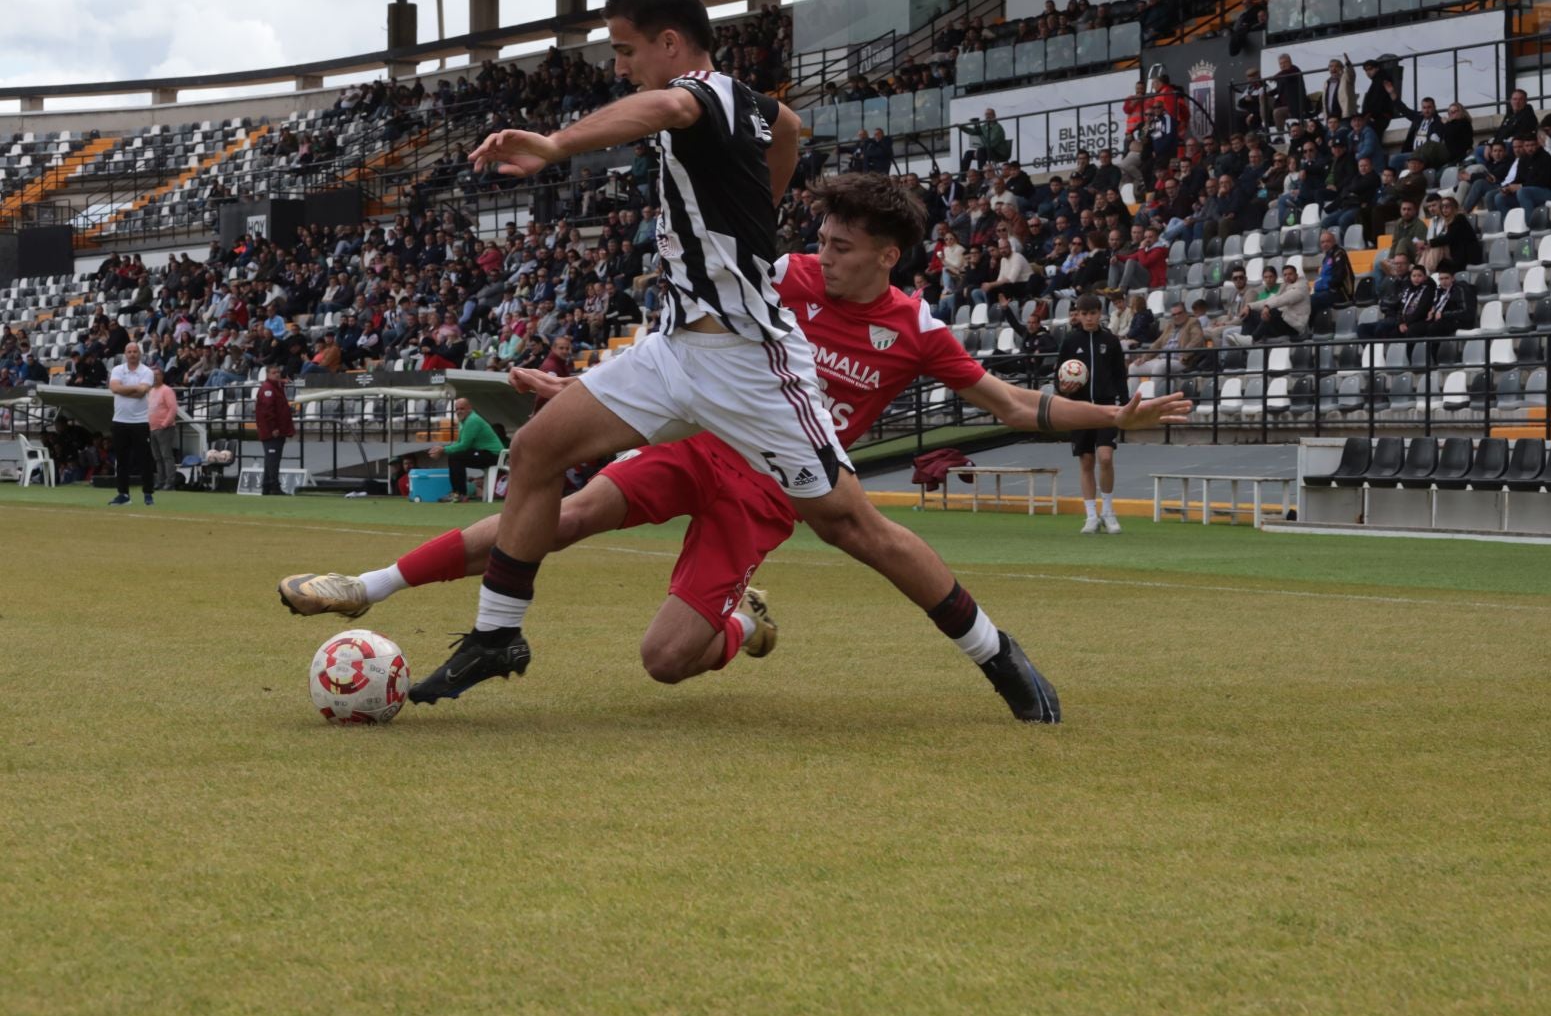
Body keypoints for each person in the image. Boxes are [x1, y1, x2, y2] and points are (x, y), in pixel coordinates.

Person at [279, 174, 1190, 706]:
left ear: (889, 255)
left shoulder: (918, 331)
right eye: (821, 240)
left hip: (771, 488)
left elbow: (1012, 406)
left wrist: (1117, 417)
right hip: (695, 443)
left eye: (842, 246)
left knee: (664, 663)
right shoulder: (780, 277)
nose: (822, 256)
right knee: (564, 513)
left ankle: (743, 621)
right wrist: (589, 393)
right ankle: (368, 585)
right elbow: (682, 353)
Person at [1054, 294, 1129, 535]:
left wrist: (1126, 405)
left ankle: (1108, 511)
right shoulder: (1070, 341)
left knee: (1105, 457)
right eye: (1084, 314)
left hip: (1106, 407)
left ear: (1100, 314)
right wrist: (1063, 389)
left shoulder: (1111, 340)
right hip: (1078, 408)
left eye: (1093, 313)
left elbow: (1120, 376)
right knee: (1086, 461)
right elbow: (1058, 377)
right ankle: (1091, 516)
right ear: (1078, 315)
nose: (1088, 318)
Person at [430, 396, 507, 503]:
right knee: (455, 456)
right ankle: (458, 493)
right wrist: (441, 450)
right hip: (486, 453)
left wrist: (442, 450)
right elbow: (459, 444)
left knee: (456, 457)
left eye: (462, 408)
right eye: (457, 409)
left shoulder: (472, 420)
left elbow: (464, 446)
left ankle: (460, 494)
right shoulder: (463, 421)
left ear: (469, 408)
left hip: (494, 455)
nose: (459, 411)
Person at [107, 341, 156, 507]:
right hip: (120, 421)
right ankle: (123, 494)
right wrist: (133, 389)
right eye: (129, 352)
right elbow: (114, 388)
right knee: (122, 460)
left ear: (139, 354)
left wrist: (123, 389)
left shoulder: (147, 371)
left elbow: (142, 391)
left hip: (140, 422)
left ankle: (148, 493)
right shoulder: (117, 370)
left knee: (145, 460)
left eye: (135, 351)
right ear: (125, 354)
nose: (132, 354)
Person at [254, 362, 295, 496]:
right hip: (272, 431)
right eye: (274, 373)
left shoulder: (275, 387)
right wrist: (273, 428)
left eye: (278, 372)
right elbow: (267, 411)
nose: (277, 374)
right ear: (267, 374)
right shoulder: (269, 389)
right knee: (273, 459)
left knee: (270, 459)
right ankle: (274, 487)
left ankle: (266, 486)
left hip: (275, 429)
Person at [148, 368, 180, 491]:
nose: (155, 377)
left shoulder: (167, 390)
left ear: (162, 376)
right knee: (157, 457)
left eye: (157, 374)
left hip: (164, 428)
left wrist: (165, 423)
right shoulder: (151, 391)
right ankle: (160, 481)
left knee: (166, 456)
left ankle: (169, 482)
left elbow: (173, 408)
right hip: (152, 428)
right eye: (153, 375)